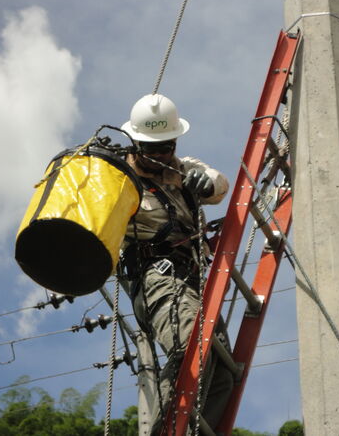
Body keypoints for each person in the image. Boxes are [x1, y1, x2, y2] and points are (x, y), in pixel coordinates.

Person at [120, 93, 234, 433]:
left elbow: (218, 185)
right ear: (136, 144)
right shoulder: (120, 181)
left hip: (194, 280)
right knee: (190, 346)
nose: (158, 156)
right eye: (150, 150)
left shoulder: (183, 170)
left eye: (165, 148)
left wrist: (207, 182)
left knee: (223, 371)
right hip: (156, 276)